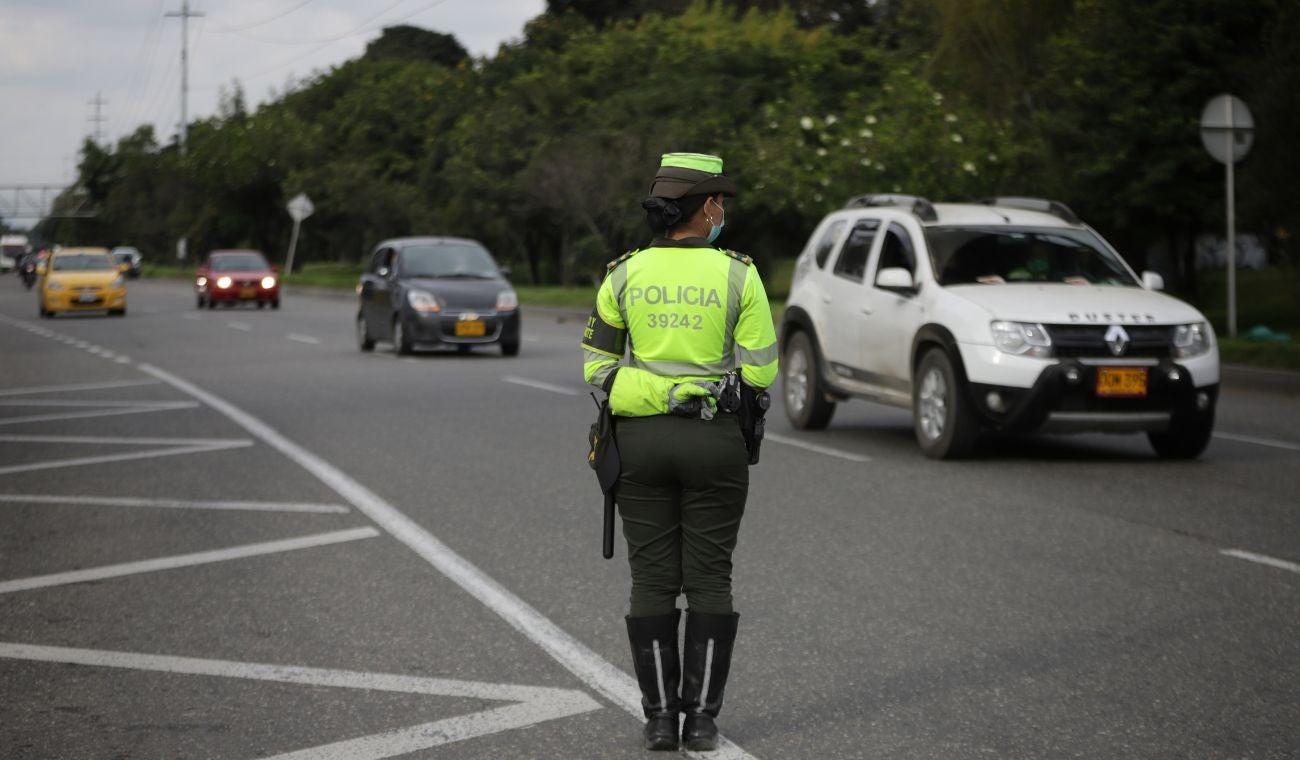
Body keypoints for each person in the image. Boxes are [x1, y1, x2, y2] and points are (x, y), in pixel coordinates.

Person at [581, 153, 778, 752]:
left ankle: (660, 719)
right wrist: (699, 392)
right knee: (710, 580)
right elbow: (762, 374)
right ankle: (703, 722)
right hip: (715, 443)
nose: (725, 212)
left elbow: (598, 368)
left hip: (638, 443)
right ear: (707, 207)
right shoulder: (741, 275)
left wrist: (658, 392)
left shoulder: (622, 274)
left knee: (652, 581)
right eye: (722, 202)